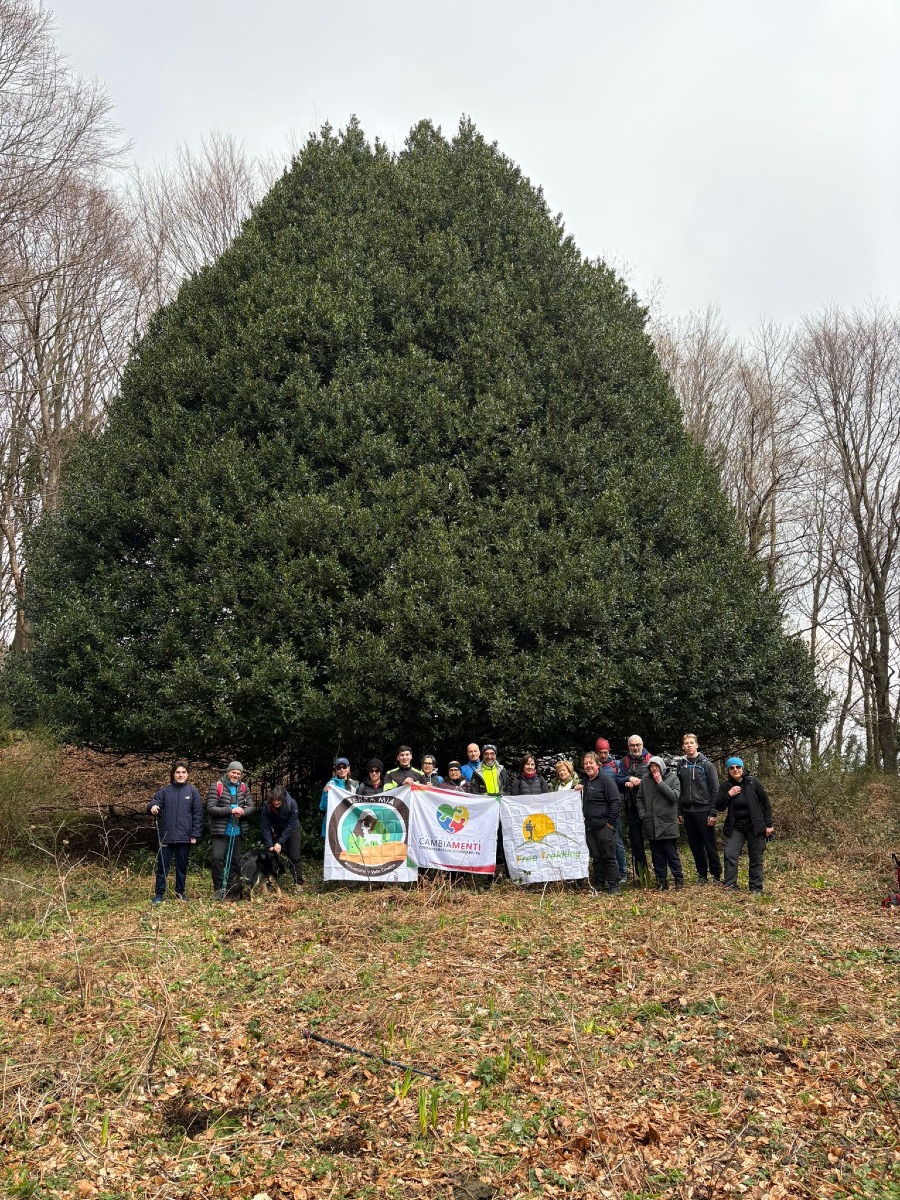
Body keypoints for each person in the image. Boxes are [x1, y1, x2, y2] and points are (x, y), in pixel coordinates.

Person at [715, 757, 774, 893]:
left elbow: (766, 804)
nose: (735, 769)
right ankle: (730, 886)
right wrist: (729, 795)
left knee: (756, 858)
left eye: (738, 767)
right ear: (728, 771)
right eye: (732, 768)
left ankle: (756, 888)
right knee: (730, 854)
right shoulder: (726, 786)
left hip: (756, 826)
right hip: (736, 827)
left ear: (742, 768)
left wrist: (769, 824)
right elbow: (719, 806)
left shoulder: (753, 782)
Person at [148, 760, 202, 904]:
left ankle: (180, 893)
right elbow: (154, 802)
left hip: (185, 837)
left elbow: (198, 814)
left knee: (181, 867)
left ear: (187, 774)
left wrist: (195, 834)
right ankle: (159, 894)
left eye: (183, 772)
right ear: (173, 774)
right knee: (162, 867)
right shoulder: (165, 791)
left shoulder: (193, 792)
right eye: (178, 772)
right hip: (166, 836)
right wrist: (153, 807)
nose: (180, 775)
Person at [676, 733, 721, 884]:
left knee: (709, 845)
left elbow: (715, 789)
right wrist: (679, 811)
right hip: (688, 812)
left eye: (691, 743)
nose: (689, 745)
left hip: (704, 810)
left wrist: (713, 812)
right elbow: (680, 789)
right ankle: (702, 875)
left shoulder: (706, 764)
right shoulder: (680, 765)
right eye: (686, 743)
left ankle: (716, 875)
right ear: (683, 747)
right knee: (695, 846)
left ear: (697, 745)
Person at [206, 761, 256, 899]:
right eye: (233, 772)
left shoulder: (244, 788)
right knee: (217, 858)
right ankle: (218, 889)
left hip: (237, 830)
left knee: (234, 860)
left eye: (238, 773)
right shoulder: (217, 786)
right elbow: (210, 808)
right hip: (220, 831)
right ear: (228, 772)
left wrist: (243, 812)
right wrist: (231, 810)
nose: (236, 775)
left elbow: (251, 807)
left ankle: (229, 888)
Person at [636, 755, 683, 889]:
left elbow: (674, 797)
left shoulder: (673, 779)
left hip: (667, 823)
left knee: (671, 853)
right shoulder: (645, 780)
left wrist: (660, 783)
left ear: (662, 766)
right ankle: (662, 881)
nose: (654, 769)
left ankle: (678, 879)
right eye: (651, 767)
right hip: (651, 823)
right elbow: (639, 798)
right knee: (657, 855)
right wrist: (643, 815)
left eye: (656, 766)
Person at [580, 751, 622, 893]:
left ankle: (614, 884)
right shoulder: (583, 783)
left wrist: (610, 822)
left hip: (604, 825)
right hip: (589, 826)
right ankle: (599, 883)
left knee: (608, 855)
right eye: (585, 763)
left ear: (598, 765)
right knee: (596, 857)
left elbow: (615, 802)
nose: (588, 766)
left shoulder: (606, 781)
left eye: (590, 763)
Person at [616, 735, 652, 879]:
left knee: (655, 842)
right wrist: (627, 779)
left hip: (650, 807)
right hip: (631, 807)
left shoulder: (651, 759)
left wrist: (640, 782)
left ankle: (660, 874)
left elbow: (658, 777)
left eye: (637, 745)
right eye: (632, 745)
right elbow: (616, 780)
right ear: (628, 746)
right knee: (637, 843)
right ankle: (642, 876)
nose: (635, 748)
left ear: (642, 745)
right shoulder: (624, 762)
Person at [596, 737, 627, 882]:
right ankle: (607, 873)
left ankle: (623, 872)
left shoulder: (617, 764)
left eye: (605, 752)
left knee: (618, 841)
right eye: (600, 752)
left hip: (614, 809)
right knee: (602, 842)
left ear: (609, 751)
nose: (603, 755)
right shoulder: (595, 766)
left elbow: (622, 780)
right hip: (599, 811)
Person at [261, 784, 303, 884]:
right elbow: (265, 827)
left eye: (278, 800)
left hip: (292, 829)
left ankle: (298, 883)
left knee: (294, 856)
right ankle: (271, 881)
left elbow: (291, 824)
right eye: (274, 800)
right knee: (271, 855)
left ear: (283, 799)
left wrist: (280, 842)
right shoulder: (267, 806)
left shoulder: (292, 804)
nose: (276, 802)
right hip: (276, 829)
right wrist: (270, 845)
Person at [319, 757, 359, 836]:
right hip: (334, 824)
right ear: (336, 770)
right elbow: (323, 807)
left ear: (348, 768)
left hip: (349, 824)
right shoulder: (330, 784)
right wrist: (325, 793)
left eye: (344, 767)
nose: (342, 770)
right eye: (339, 767)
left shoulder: (355, 785)